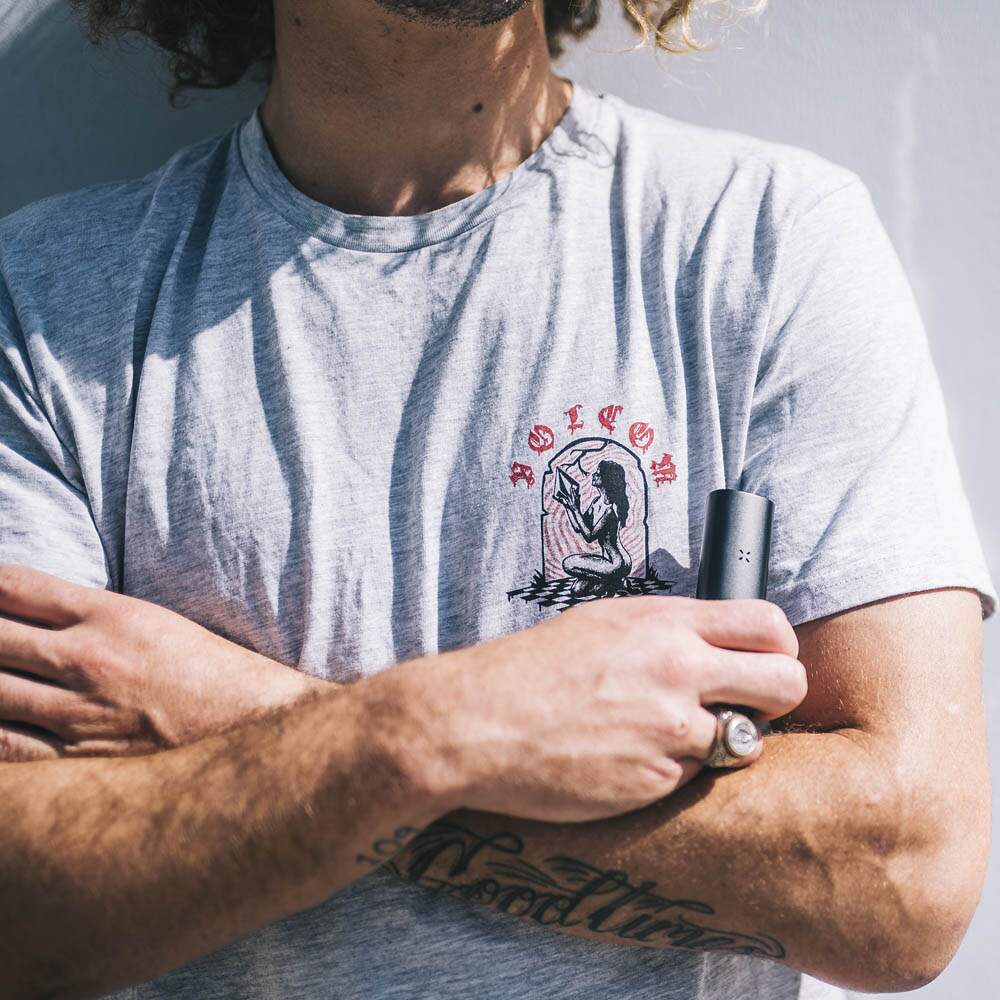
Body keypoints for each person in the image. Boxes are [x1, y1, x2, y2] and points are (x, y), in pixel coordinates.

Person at [0, 1, 994, 998]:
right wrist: (423, 737)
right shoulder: (47, 303)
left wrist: (301, 725)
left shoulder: (764, 241)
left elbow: (904, 884)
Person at [559, 459, 633, 595]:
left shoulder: (611, 510)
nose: (594, 475)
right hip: (606, 563)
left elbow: (589, 536)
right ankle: (616, 582)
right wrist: (568, 506)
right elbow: (578, 527)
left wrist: (576, 509)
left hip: (617, 563)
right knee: (577, 590)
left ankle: (616, 581)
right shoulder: (596, 502)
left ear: (607, 479)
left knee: (568, 564)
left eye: (598, 473)